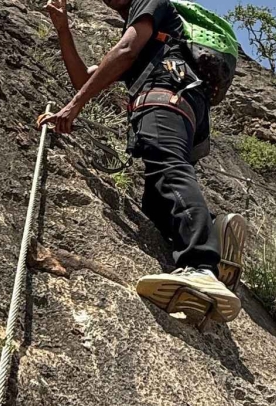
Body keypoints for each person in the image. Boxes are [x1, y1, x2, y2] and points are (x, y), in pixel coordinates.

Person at [39, 0, 245, 324]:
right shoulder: (151, 32)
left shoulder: (150, 4)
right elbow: (86, 77)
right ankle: (214, 237)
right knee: (155, 202)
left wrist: (73, 107)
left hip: (165, 96)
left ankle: (200, 265)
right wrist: (64, 30)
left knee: (166, 167)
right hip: (183, 103)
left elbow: (125, 52)